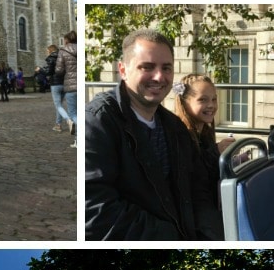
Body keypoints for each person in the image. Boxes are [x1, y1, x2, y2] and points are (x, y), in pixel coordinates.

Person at [85, 29, 222, 240]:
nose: (159, 76)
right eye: (147, 67)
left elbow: (197, 190)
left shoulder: (174, 128)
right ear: (123, 70)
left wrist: (210, 236)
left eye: (166, 68)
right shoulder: (98, 122)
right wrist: (172, 237)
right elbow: (96, 210)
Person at [171, 74, 232, 238]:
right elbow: (192, 176)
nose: (211, 105)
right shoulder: (179, 134)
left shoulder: (204, 131)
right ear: (184, 102)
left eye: (214, 99)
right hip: (194, 211)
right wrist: (216, 152)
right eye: (203, 100)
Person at [55, 31, 78, 147]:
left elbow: (58, 70)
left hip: (71, 85)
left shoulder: (63, 51)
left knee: (73, 113)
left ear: (67, 40)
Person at [46, 43, 71, 134]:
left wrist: (41, 70)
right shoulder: (63, 57)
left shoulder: (51, 58)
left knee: (58, 105)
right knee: (59, 105)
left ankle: (69, 120)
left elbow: (49, 71)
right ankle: (58, 125)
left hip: (55, 84)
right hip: (64, 83)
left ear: (50, 50)